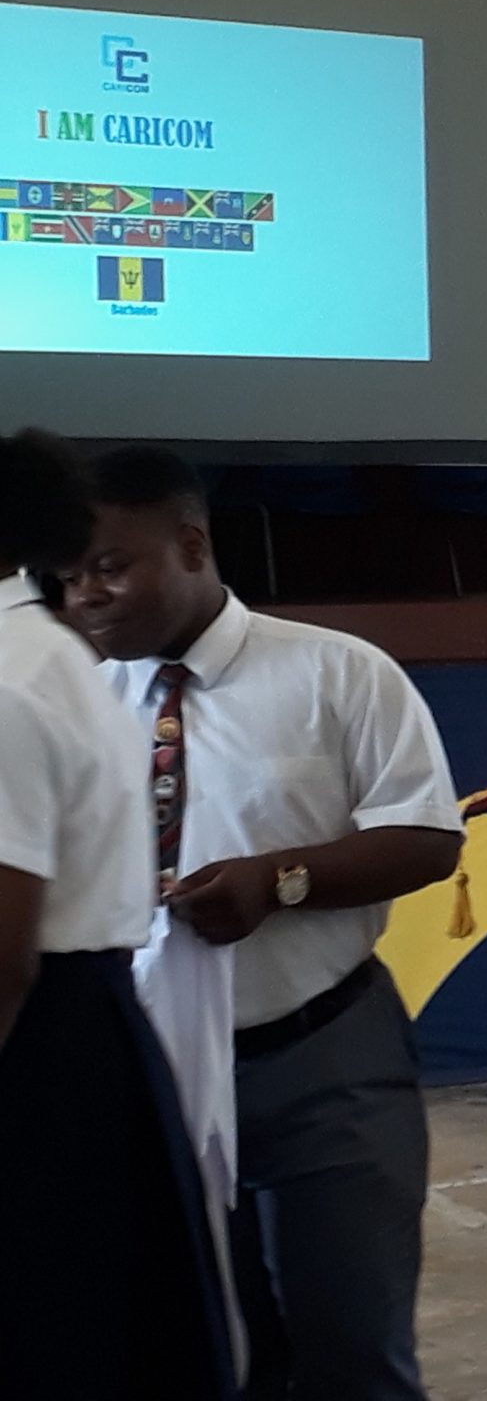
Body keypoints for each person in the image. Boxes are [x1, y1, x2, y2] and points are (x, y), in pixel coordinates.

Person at [65, 446, 463, 1401]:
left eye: (110, 567)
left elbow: (424, 838)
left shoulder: (337, 673)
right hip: (151, 1063)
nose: (85, 595)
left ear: (192, 545)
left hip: (321, 1060)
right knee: (207, 1345)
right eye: (67, 575)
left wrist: (278, 881)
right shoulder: (73, 701)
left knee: (349, 1347)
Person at [0, 430, 233, 1398]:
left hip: (38, 1045)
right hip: (82, 1032)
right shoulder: (46, 656)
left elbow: (3, 947)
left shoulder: (10, 677)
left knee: (50, 1338)